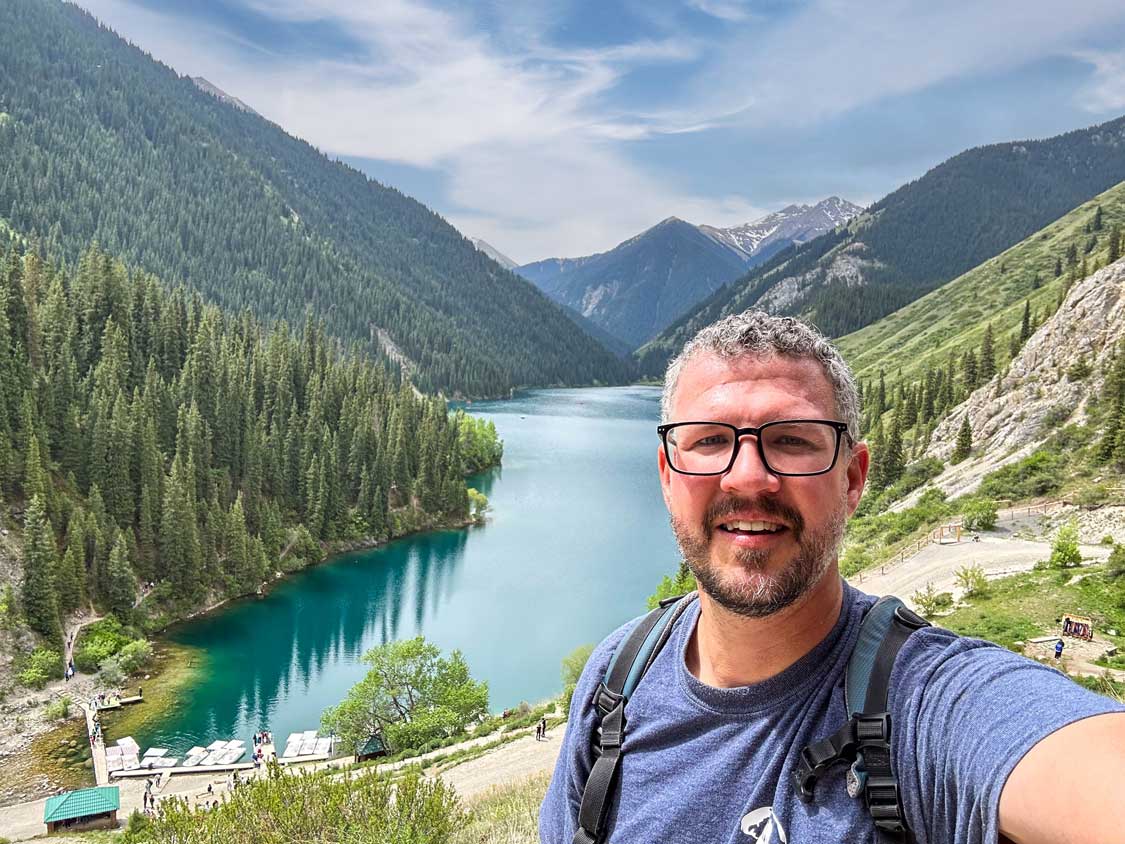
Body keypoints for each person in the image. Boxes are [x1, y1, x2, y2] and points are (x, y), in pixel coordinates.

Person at [539, 311, 1125, 844]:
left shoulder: (922, 701)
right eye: (710, 440)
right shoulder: (615, 682)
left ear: (852, 478)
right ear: (669, 475)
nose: (747, 477)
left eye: (792, 441)